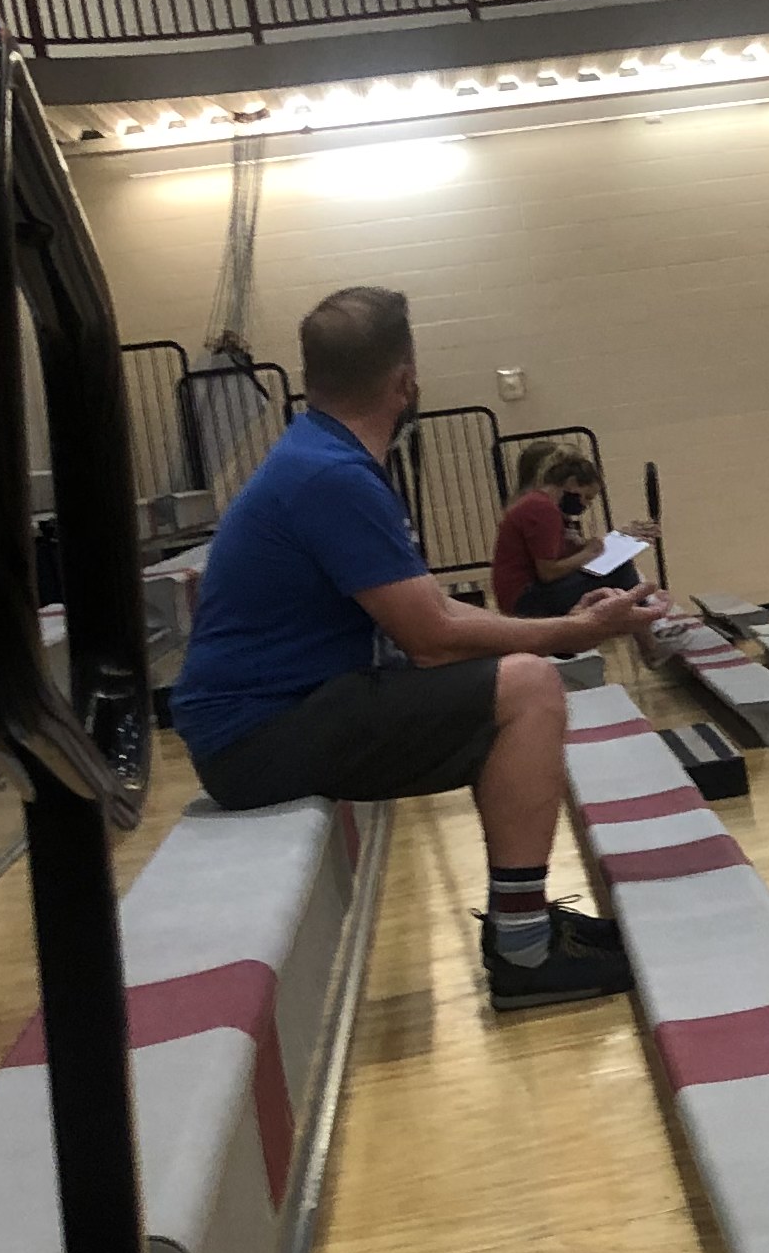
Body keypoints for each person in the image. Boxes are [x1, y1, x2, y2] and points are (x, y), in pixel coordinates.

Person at [166, 285, 655, 1010]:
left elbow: (430, 613)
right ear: (405, 382)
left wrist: (562, 626)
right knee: (528, 688)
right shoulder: (331, 474)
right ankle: (523, 949)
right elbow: (431, 639)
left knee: (515, 676)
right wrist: (571, 633)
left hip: (274, 717)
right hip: (257, 736)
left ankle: (524, 924)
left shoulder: (319, 456)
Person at [490, 447, 626, 617]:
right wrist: (588, 554)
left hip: (524, 591)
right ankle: (647, 619)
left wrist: (582, 547)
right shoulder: (542, 509)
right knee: (620, 570)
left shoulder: (538, 503)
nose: (585, 505)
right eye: (586, 497)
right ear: (571, 484)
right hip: (524, 598)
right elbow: (548, 572)